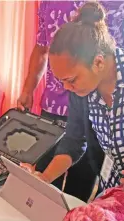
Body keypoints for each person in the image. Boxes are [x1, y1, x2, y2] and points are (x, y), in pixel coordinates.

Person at [18, 1, 124, 202]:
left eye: (71, 80)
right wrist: (44, 179)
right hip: (111, 192)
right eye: (63, 81)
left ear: (99, 62)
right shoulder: (83, 91)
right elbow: (74, 141)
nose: (67, 89)